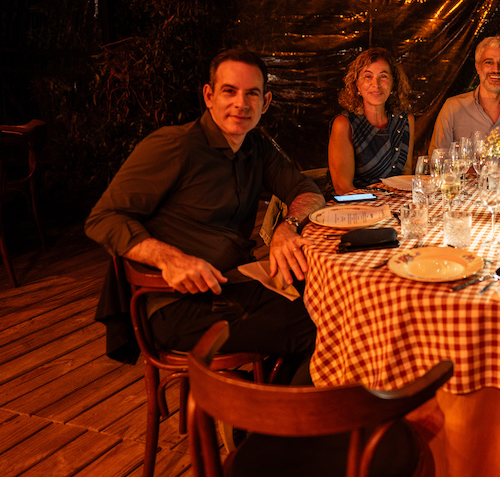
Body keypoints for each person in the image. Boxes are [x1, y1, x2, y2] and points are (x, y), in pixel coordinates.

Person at [87, 49, 326, 378]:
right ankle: (267, 409)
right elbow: (103, 218)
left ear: (265, 102)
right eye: (229, 91)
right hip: (176, 306)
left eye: (251, 93)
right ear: (209, 96)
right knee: (324, 327)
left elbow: (307, 190)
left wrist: (288, 226)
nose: (241, 104)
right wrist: (170, 258)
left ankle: (263, 399)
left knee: (330, 303)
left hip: (231, 285)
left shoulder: (256, 147)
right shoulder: (175, 145)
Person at [430, 36, 500, 152]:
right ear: (478, 67)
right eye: (489, 62)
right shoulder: (453, 108)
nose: (496, 69)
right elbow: (438, 158)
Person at [328, 48, 415, 195]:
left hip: (395, 203)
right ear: (357, 85)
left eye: (383, 76)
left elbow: (406, 176)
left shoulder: (405, 120)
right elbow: (343, 188)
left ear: (393, 83)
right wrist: (379, 205)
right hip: (356, 205)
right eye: (368, 76)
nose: (376, 84)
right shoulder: (344, 124)